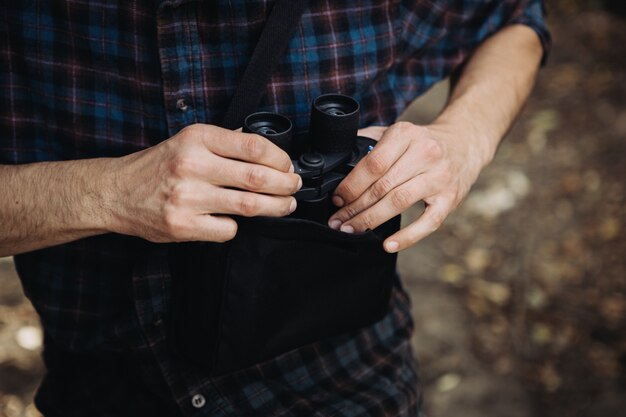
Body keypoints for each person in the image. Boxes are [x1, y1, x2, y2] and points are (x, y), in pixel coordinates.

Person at [0, 1, 550, 416]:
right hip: (108, 385)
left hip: (341, 375)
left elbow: (513, 18)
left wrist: (462, 140)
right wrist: (108, 193)